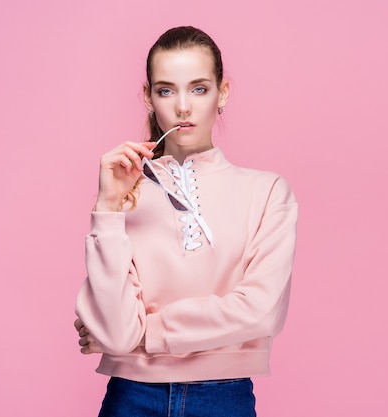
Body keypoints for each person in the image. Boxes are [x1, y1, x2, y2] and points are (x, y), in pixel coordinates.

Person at [74, 26, 298, 417]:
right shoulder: (125, 194)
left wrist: (144, 335)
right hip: (130, 398)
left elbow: (260, 311)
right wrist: (107, 207)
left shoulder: (267, 191)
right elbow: (113, 332)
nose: (182, 107)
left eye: (198, 89)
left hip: (224, 399)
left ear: (222, 93)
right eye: (165, 90)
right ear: (148, 97)